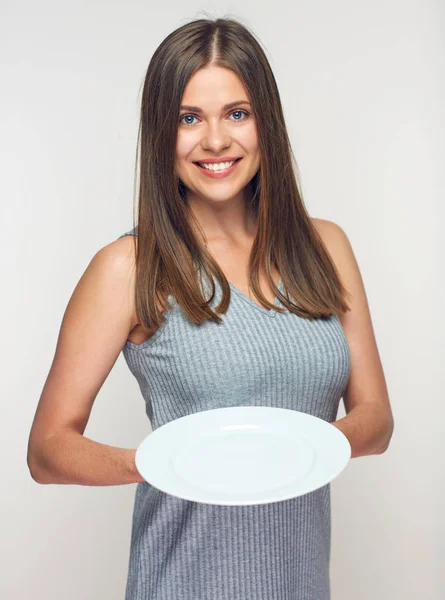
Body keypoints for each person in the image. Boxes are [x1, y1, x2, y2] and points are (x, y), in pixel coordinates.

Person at [27, 16, 394, 600]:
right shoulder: (129, 268)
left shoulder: (325, 248)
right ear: (160, 133)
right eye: (188, 118)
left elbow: (375, 419)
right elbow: (47, 450)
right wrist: (166, 463)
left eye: (237, 114)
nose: (216, 140)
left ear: (265, 123)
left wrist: (294, 451)